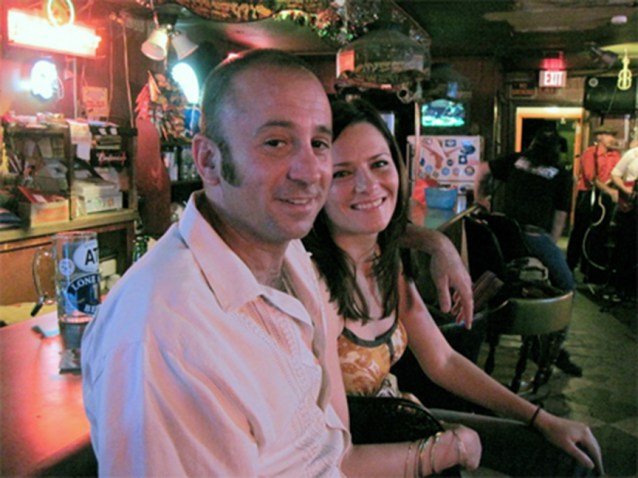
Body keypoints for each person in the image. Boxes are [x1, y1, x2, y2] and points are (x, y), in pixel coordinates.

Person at [81, 48, 472, 476]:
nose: (310, 171)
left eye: (319, 144)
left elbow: (327, 454)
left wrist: (434, 242)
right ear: (209, 161)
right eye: (276, 143)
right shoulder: (166, 336)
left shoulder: (289, 253)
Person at [304, 98, 603, 476]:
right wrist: (449, 448)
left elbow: (442, 360)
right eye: (342, 173)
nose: (368, 185)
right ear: (316, 185)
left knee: (572, 456)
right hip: (365, 451)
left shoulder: (383, 259)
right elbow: (337, 460)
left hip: (401, 416)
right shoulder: (314, 283)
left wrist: (541, 418)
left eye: (379, 164)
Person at [474, 126, 583, 377]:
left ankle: (478, 331)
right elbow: (560, 218)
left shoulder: (516, 160)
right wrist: (550, 245)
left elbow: (481, 170)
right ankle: (552, 349)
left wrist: (480, 197)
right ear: (558, 150)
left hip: (502, 233)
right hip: (534, 236)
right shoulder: (562, 175)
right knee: (567, 286)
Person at [566, 125, 621, 282]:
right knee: (581, 231)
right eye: (609, 135)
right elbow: (591, 177)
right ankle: (569, 268)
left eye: (613, 135)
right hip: (588, 195)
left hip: (605, 198)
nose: (612, 139)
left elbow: (618, 175)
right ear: (599, 137)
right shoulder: (590, 153)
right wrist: (609, 190)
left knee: (598, 233)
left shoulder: (615, 155)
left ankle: (591, 271)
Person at [609, 138, 638, 300]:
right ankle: (622, 286)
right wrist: (626, 191)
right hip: (633, 204)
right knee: (628, 245)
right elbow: (615, 174)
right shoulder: (632, 154)